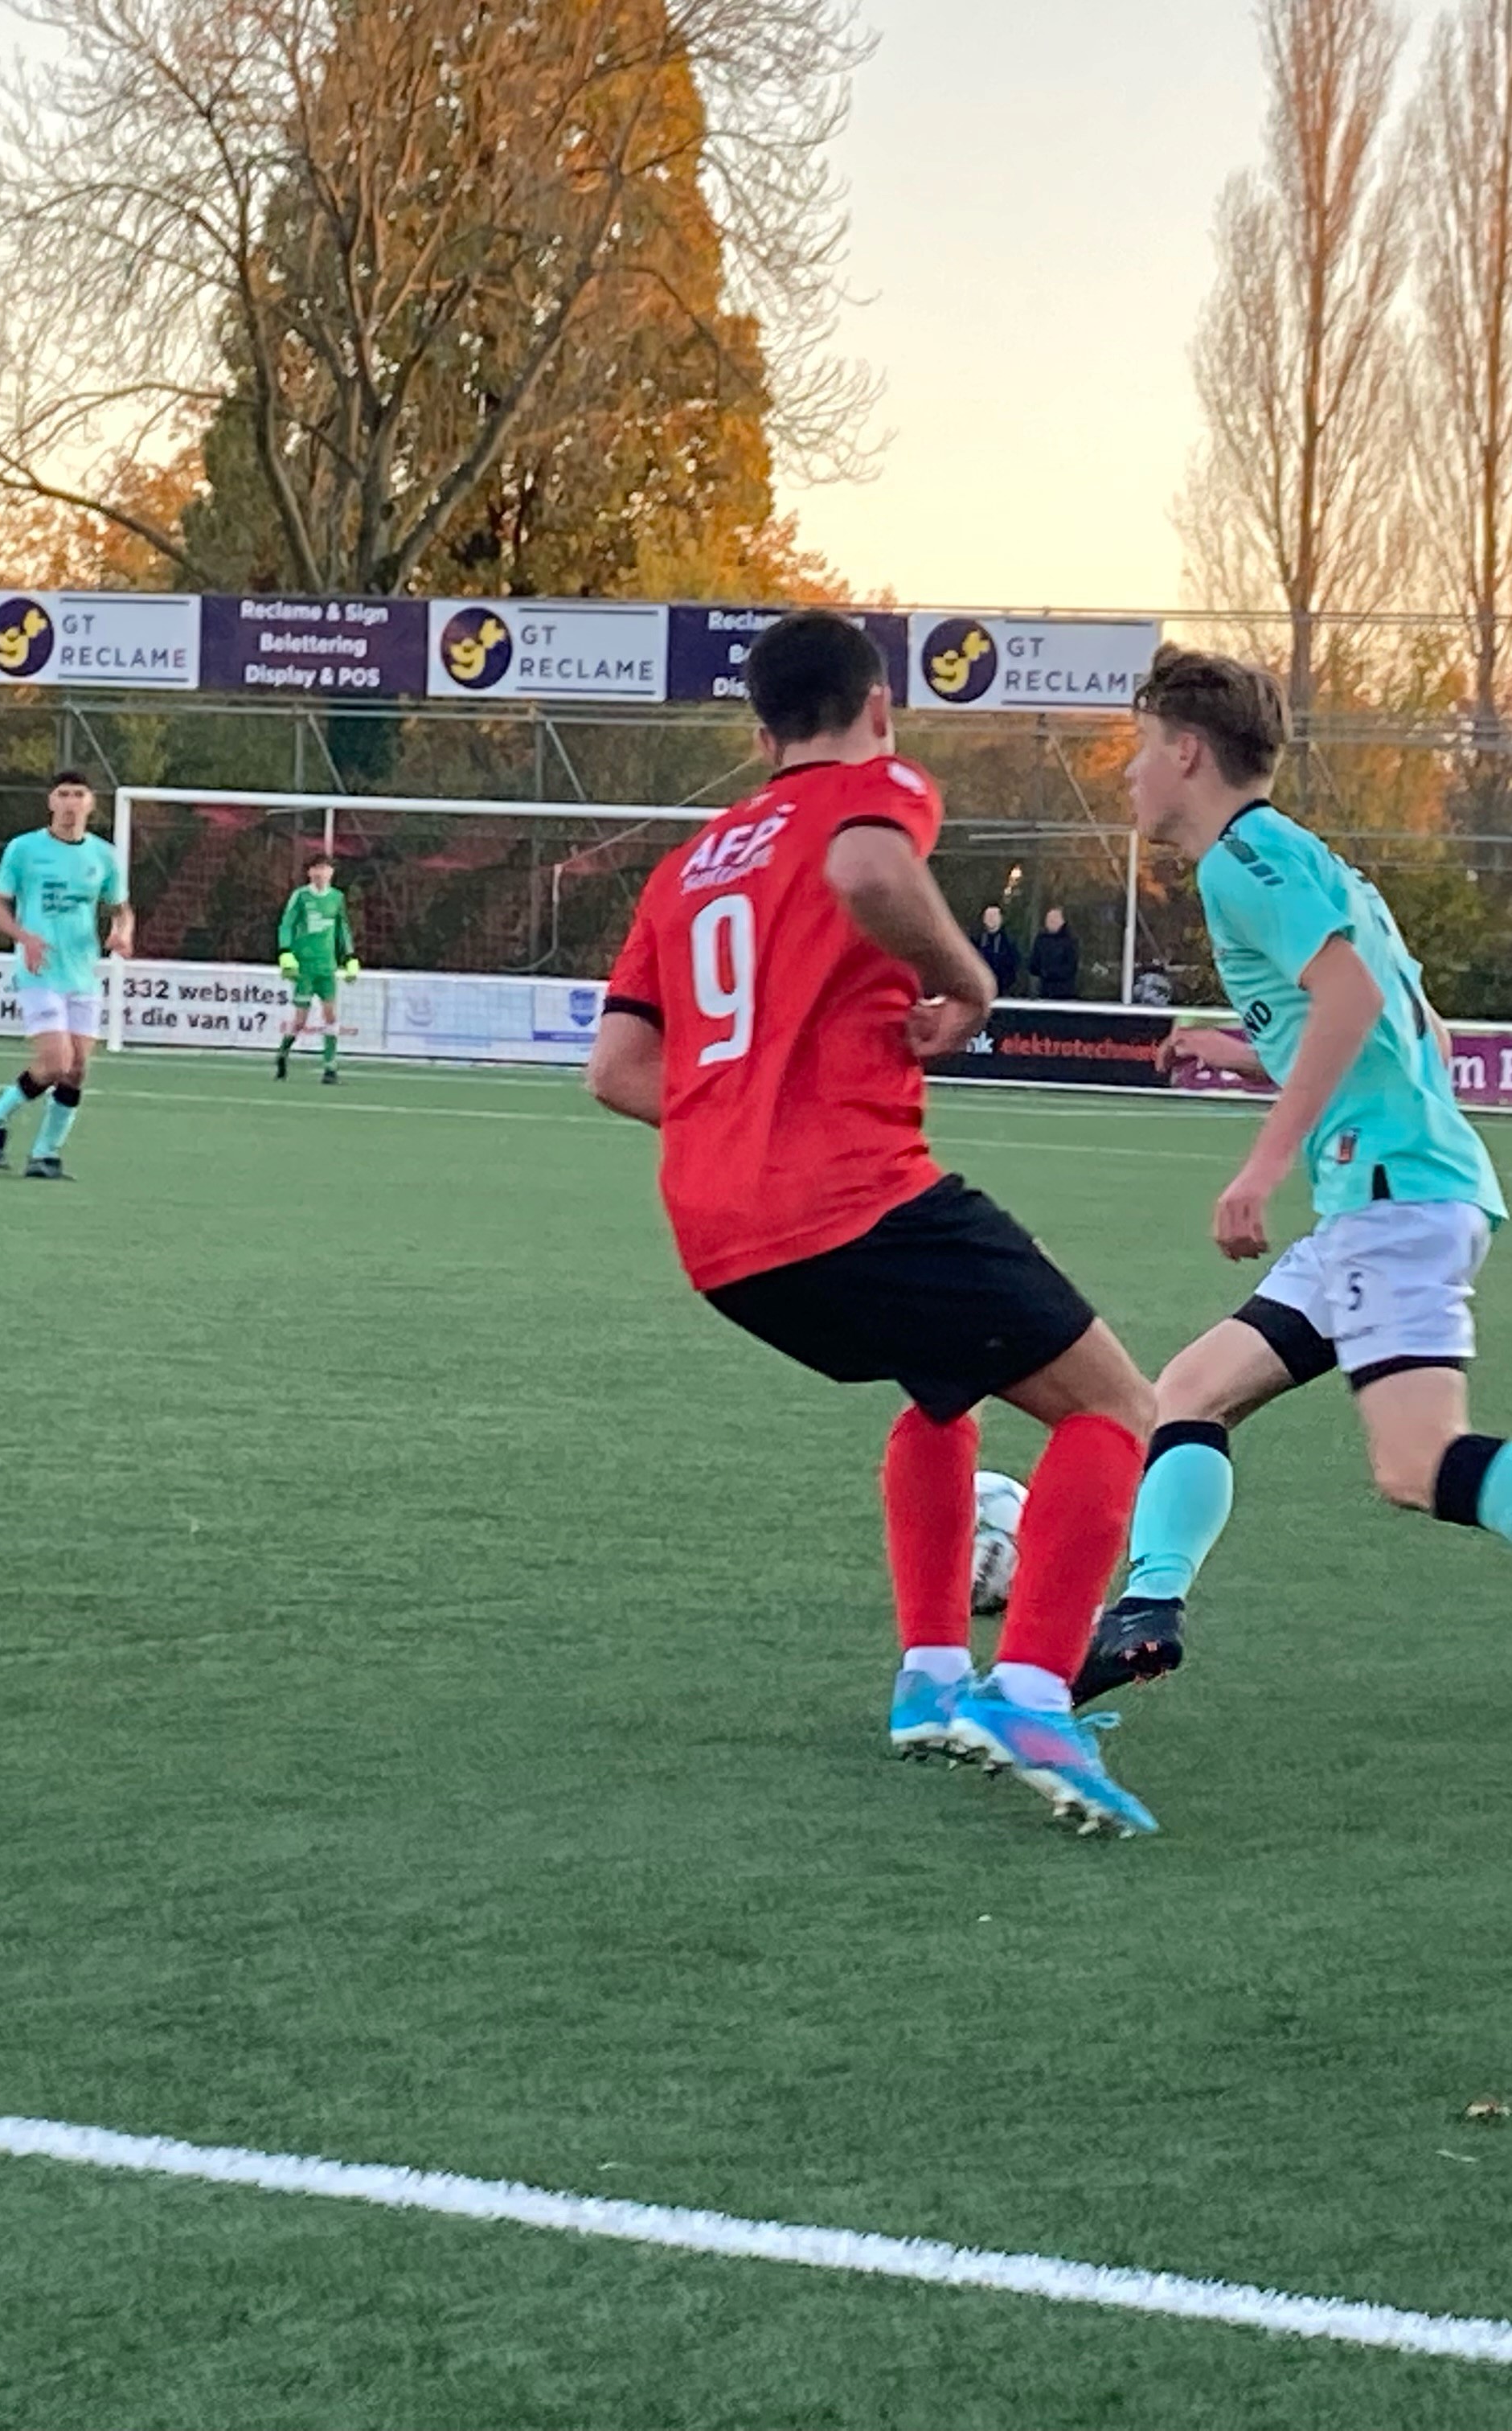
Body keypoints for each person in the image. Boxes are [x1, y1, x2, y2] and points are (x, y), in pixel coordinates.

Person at [1072, 646, 1512, 1740]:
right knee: (1192, 1390)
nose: (1129, 774)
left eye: (1140, 751)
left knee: (1416, 1463)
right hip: (1387, 1199)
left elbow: (1350, 1001)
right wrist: (1236, 1048)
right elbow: (1411, 1032)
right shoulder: (1317, 866)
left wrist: (1262, 1166)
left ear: (1188, 753)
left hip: (1393, 1204)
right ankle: (1147, 1609)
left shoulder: (1240, 861)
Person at [584, 609, 1165, 1837]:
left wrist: (739, 1119)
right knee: (1119, 1408)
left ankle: (931, 1679)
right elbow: (864, 870)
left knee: (946, 1386)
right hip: (850, 1192)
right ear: (880, 707)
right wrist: (973, 980)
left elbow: (617, 1070)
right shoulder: (872, 788)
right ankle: (1036, 1690)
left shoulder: (686, 868)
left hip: (721, 1237)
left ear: (756, 734)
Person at [0, 772, 132, 1180]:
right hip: (39, 973)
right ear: (51, 802)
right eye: (62, 794)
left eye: (78, 795)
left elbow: (121, 908)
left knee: (77, 1069)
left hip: (82, 975)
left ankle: (45, 1155)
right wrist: (23, 936)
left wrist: (122, 932)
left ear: (90, 804)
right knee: (56, 1061)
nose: (69, 802)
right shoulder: (24, 849)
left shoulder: (103, 856)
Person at [274, 851, 361, 1083]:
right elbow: (286, 925)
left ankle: (330, 1068)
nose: (321, 873)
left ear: (331, 873)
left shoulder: (337, 898)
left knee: (331, 1016)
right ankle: (283, 1053)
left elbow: (342, 929)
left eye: (325, 869)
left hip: (327, 967)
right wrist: (286, 952)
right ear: (310, 872)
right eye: (317, 868)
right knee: (301, 1021)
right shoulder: (301, 897)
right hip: (304, 967)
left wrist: (350, 956)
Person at [1027, 904, 1080, 1000]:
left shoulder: (1071, 940)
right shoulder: (1041, 939)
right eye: (1049, 918)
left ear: (1063, 921)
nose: (1052, 921)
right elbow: (1033, 965)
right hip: (1043, 993)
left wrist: (1049, 973)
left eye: (1055, 918)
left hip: (1065, 994)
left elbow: (1071, 967)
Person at [973, 902, 1023, 997]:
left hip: (1004, 993)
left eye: (995, 915)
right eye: (988, 915)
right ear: (984, 919)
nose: (991, 918)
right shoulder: (976, 939)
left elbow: (1015, 967)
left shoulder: (1010, 940)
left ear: (1001, 918)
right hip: (981, 992)